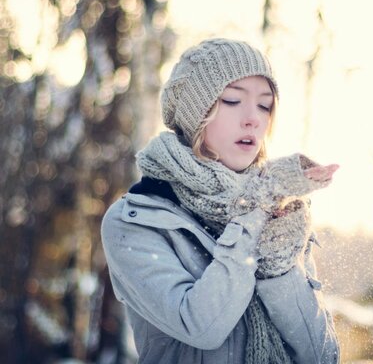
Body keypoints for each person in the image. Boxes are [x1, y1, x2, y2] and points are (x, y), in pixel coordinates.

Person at [101, 38, 340, 363]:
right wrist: (255, 210)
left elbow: (322, 356)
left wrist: (280, 269)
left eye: (264, 105)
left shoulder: (281, 217)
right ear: (194, 114)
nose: (253, 119)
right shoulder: (134, 221)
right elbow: (201, 326)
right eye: (231, 100)